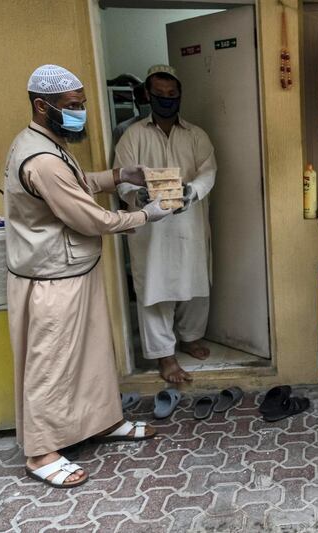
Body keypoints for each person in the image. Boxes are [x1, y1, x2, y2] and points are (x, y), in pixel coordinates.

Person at [5, 64, 173, 488]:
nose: (81, 113)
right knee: (52, 363)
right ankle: (41, 452)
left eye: (82, 105)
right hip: (51, 279)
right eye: (73, 106)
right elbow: (88, 216)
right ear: (42, 106)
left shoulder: (48, 142)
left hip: (72, 270)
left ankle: (102, 421)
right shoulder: (40, 158)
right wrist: (143, 215)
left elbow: (78, 184)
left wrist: (119, 175)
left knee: (93, 355)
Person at [114, 65, 217, 384]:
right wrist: (138, 195)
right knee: (155, 289)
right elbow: (120, 176)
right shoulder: (133, 134)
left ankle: (189, 336)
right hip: (150, 227)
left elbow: (208, 171)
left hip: (189, 221)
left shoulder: (196, 134)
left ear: (180, 96)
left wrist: (193, 191)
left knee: (195, 282)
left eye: (172, 95)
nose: (166, 100)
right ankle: (164, 355)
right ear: (147, 95)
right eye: (159, 94)